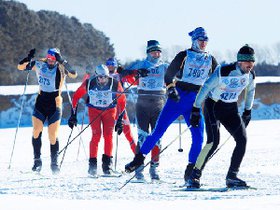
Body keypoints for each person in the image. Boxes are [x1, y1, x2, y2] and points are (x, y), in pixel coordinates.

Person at [125, 27, 218, 183]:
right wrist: (171, 89)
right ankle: (138, 159)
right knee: (157, 132)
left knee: (199, 137)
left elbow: (217, 78)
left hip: (195, 101)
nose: (203, 44)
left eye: (205, 41)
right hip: (177, 98)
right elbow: (169, 75)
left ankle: (191, 171)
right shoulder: (184, 55)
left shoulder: (210, 59)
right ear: (194, 41)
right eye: (200, 40)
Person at [187, 44, 256, 188]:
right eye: (247, 61)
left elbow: (250, 92)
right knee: (213, 142)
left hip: (230, 108)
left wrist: (247, 111)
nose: (250, 64)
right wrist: (195, 108)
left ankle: (232, 176)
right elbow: (206, 87)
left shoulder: (250, 76)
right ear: (239, 61)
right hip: (213, 106)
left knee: (242, 140)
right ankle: (194, 176)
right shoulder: (224, 71)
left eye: (252, 61)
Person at [17, 48, 78, 174]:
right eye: (49, 58)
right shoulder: (39, 63)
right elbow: (20, 67)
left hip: (54, 103)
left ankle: (54, 163)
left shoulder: (61, 67)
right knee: (36, 131)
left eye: (54, 59)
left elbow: (73, 74)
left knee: (52, 135)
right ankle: (37, 161)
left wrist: (63, 61)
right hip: (41, 102)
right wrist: (27, 59)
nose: (51, 61)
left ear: (57, 59)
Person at [121, 40, 169, 181]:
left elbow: (176, 77)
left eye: (158, 51)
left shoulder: (164, 66)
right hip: (142, 103)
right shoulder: (141, 64)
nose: (156, 54)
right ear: (148, 52)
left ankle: (154, 168)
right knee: (142, 137)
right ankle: (138, 167)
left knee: (156, 138)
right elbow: (124, 75)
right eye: (154, 51)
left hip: (159, 103)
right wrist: (136, 73)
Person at [68, 64, 126, 176]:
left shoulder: (115, 84)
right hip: (94, 111)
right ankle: (92, 166)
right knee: (96, 135)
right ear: (96, 76)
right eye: (100, 77)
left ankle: (107, 165)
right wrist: (73, 115)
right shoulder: (89, 83)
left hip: (110, 111)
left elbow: (122, 101)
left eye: (105, 77)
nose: (102, 79)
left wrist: (120, 120)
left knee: (108, 136)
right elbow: (76, 96)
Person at [106, 58, 137, 154]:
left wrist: (127, 73)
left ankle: (137, 156)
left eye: (112, 65)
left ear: (116, 66)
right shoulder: (103, 75)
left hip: (120, 107)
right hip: (107, 107)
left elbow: (134, 82)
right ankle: (108, 159)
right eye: (108, 65)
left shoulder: (120, 75)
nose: (110, 67)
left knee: (128, 133)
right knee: (108, 135)